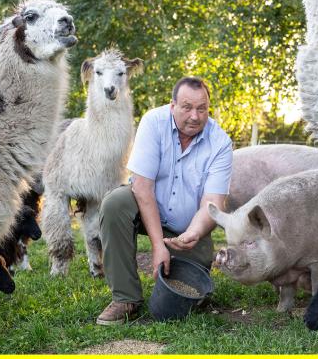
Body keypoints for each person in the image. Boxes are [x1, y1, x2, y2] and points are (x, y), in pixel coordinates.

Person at [96, 76, 233, 325]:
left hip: (187, 225)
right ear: (173, 106)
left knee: (194, 296)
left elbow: (214, 204)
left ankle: (188, 261)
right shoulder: (153, 122)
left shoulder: (221, 143)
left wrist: (194, 232)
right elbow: (142, 187)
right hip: (146, 207)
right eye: (187, 107)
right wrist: (159, 246)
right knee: (115, 203)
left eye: (202, 109)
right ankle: (125, 299)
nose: (194, 116)